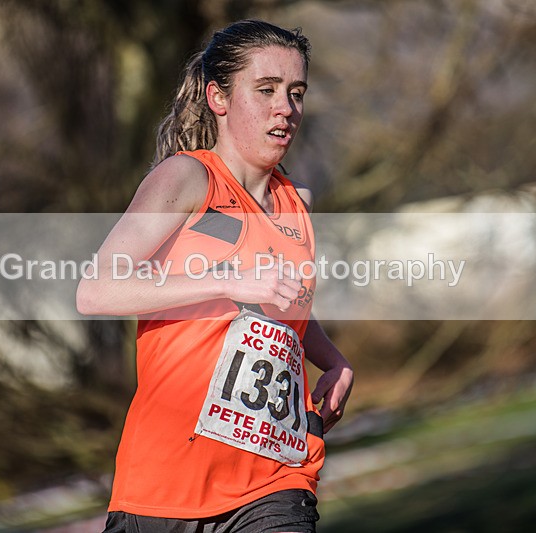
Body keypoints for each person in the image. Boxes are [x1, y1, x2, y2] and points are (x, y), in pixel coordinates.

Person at [77, 19, 353, 533]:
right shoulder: (186, 178)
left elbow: (283, 303)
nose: (285, 109)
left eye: (296, 93)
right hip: (162, 486)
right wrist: (228, 280)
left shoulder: (299, 206)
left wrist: (332, 360)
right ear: (218, 98)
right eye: (266, 90)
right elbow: (96, 290)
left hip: (274, 476)